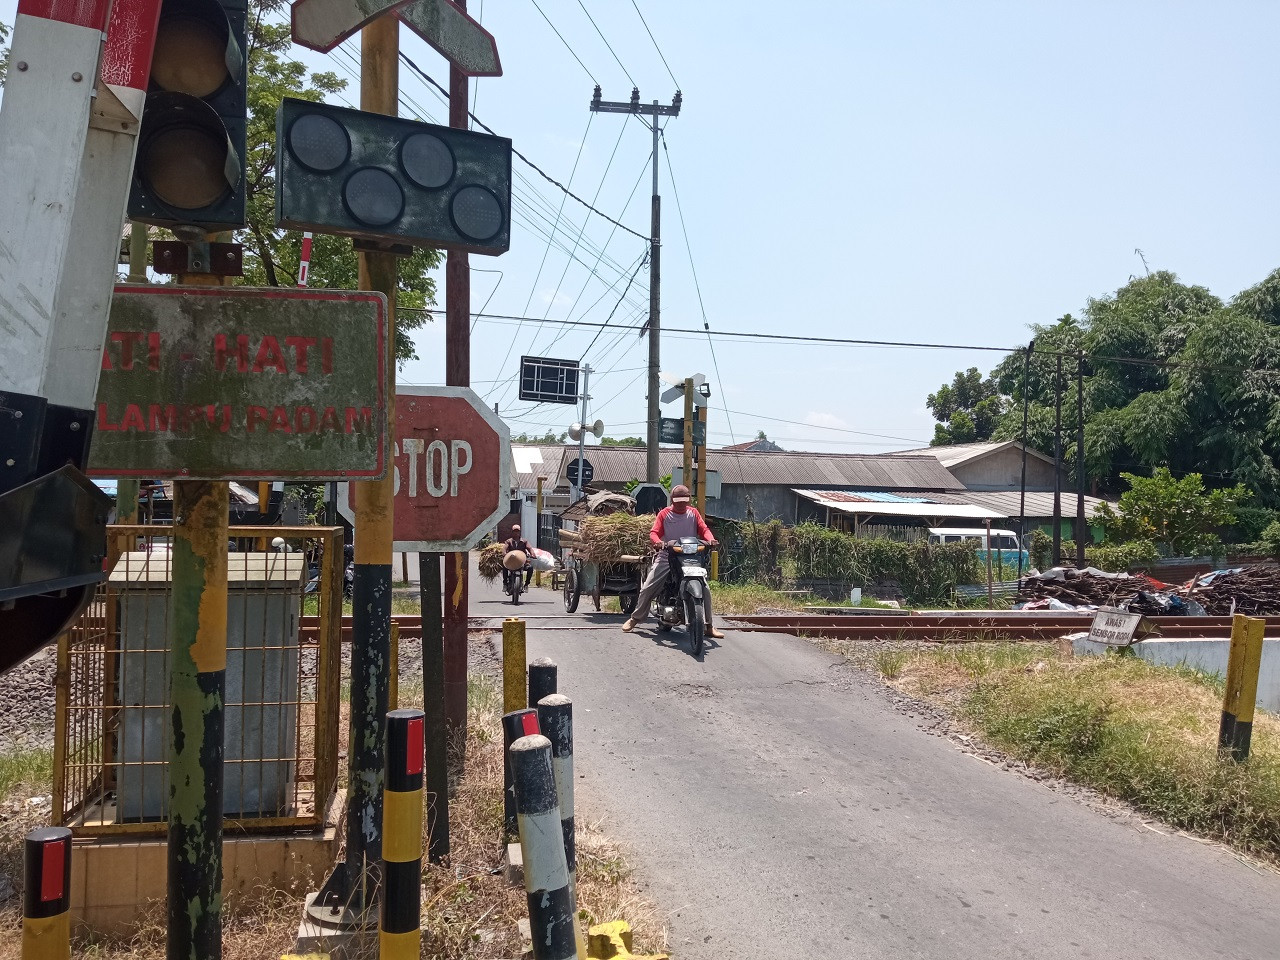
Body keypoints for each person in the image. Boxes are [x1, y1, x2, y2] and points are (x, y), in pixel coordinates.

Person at [622, 485, 724, 638]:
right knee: (648, 588)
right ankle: (635, 618)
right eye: (678, 501)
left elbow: (704, 529)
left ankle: (708, 626)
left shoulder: (693, 513)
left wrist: (710, 540)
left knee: (706, 590)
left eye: (684, 500)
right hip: (667, 556)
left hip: (690, 557)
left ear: (689, 500)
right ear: (672, 500)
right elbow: (654, 533)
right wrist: (657, 542)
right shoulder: (664, 514)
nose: (681, 504)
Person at [503, 524, 534, 592]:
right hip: (511, 562)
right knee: (504, 567)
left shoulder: (524, 541)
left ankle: (526, 584)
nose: (516, 533)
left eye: (517, 531)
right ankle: (505, 583)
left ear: (520, 532)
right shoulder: (509, 541)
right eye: (515, 531)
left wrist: (532, 554)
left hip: (522, 562)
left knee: (530, 568)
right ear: (512, 532)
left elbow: (530, 548)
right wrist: (505, 553)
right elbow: (504, 549)